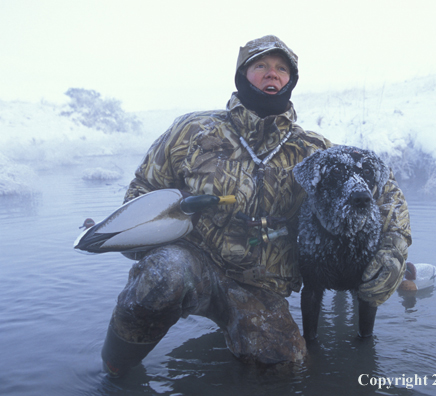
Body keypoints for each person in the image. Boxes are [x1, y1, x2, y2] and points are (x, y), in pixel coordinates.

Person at [101, 35, 412, 377]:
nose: (272, 74)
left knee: (286, 365)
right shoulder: (192, 131)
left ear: (290, 81)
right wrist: (138, 241)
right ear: (242, 75)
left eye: (281, 69)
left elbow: (384, 193)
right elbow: (144, 189)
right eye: (261, 65)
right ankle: (115, 368)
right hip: (193, 265)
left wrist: (393, 249)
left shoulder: (314, 151)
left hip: (261, 289)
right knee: (164, 275)